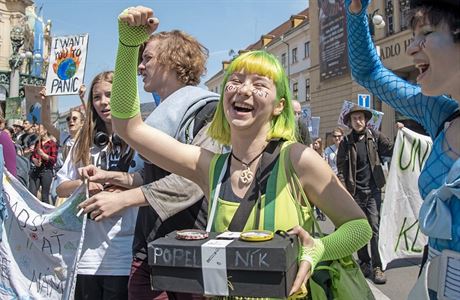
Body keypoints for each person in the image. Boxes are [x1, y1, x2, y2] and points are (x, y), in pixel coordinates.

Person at [100, 6, 373, 296]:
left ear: (279, 105)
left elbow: (358, 228)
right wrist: (128, 46)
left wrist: (318, 248)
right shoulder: (209, 167)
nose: (243, 90)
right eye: (236, 80)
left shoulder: (298, 160)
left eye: (259, 84)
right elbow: (129, 126)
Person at [78, 30, 223, 300]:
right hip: (150, 246)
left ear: (172, 60)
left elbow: (194, 179)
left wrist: (124, 200)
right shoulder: (160, 114)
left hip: (194, 248)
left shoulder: (209, 111)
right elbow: (155, 175)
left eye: (147, 58)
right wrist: (114, 177)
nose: (140, 67)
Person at [346, 0, 459, 297]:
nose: (412, 48)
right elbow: (368, 72)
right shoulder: (440, 113)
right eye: (412, 36)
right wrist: (356, 12)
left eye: (427, 33)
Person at [55, 71, 143, 300]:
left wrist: (110, 179)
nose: (103, 102)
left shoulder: (142, 139)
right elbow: (60, 186)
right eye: (97, 97)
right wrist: (85, 183)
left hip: (124, 253)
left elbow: (152, 180)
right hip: (85, 256)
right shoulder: (82, 143)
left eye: (109, 95)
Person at [336, 106, 393, 284]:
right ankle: (364, 262)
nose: (358, 121)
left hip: (374, 190)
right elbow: (340, 168)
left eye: (361, 118)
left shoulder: (375, 137)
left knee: (375, 229)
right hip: (355, 192)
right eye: (355, 119)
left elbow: (392, 149)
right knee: (361, 229)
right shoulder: (346, 142)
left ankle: (377, 266)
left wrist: (402, 133)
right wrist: (344, 190)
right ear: (350, 122)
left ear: (366, 120)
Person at [29, 124, 58, 204]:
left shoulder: (52, 144)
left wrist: (43, 155)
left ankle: (46, 214)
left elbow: (53, 160)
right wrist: (35, 160)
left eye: (39, 130)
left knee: (44, 196)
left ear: (45, 131)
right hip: (37, 169)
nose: (37, 131)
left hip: (47, 170)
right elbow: (33, 156)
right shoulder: (37, 143)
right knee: (32, 193)